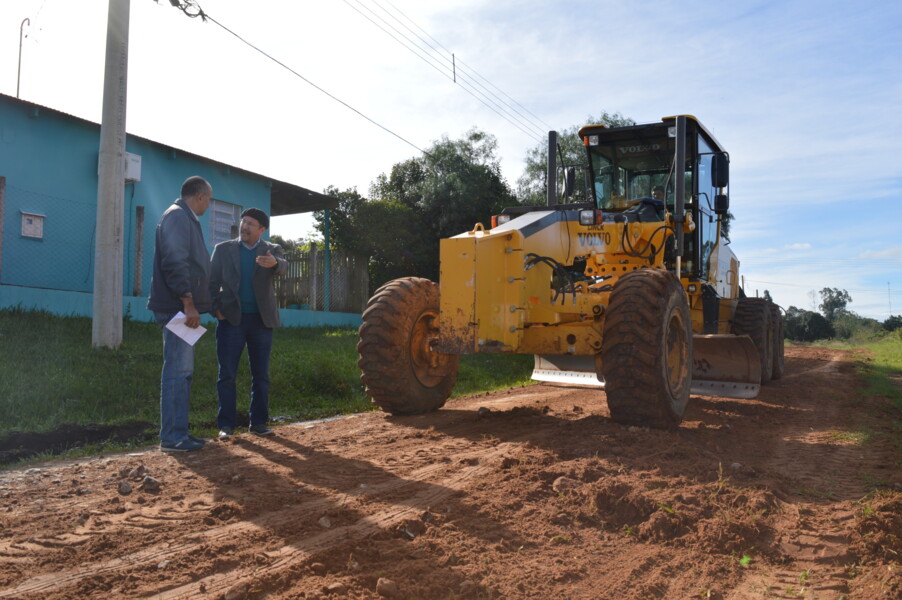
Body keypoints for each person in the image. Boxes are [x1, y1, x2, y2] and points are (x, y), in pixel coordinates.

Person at [147, 176, 214, 452]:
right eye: (208, 200)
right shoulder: (177, 217)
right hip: (177, 309)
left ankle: (179, 433)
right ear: (199, 196)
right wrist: (188, 303)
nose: (208, 205)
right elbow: (175, 261)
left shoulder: (184, 217)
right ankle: (173, 438)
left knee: (183, 372)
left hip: (181, 307)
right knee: (177, 371)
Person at [209, 207, 287, 439]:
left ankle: (259, 423)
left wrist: (274, 263)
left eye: (251, 223)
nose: (245, 226)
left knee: (261, 374)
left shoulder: (272, 250)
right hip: (231, 319)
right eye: (244, 222)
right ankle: (226, 425)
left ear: (262, 229)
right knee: (227, 374)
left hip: (261, 322)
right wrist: (215, 309)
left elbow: (284, 266)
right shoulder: (223, 249)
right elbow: (211, 282)